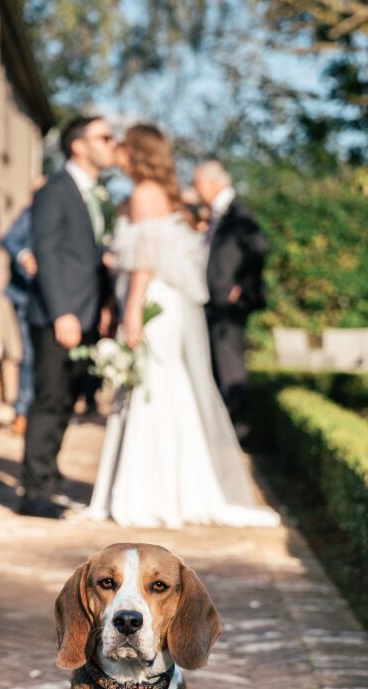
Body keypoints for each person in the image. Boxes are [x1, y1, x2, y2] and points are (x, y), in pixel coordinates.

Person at [87, 124, 279, 529]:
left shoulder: (144, 194)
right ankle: (171, 487)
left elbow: (145, 259)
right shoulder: (159, 194)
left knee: (152, 390)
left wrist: (132, 310)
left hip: (154, 299)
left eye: (122, 146)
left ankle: (148, 493)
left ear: (136, 152)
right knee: (164, 387)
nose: (116, 153)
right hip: (165, 301)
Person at [20, 114, 117, 519]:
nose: (112, 143)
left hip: (87, 315)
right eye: (105, 137)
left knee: (66, 401)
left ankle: (49, 478)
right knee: (49, 400)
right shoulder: (55, 191)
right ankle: (34, 493)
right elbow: (46, 253)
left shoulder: (93, 193)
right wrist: (63, 312)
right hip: (58, 315)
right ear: (79, 145)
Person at [194, 160, 268, 434]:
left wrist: (243, 287)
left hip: (229, 304)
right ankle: (223, 424)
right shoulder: (216, 214)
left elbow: (258, 247)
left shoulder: (237, 213)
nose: (196, 189)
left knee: (230, 364)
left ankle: (240, 427)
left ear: (214, 183)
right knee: (217, 363)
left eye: (198, 183)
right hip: (214, 301)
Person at [0, 176, 46, 436]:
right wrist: (25, 256)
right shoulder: (30, 214)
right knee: (29, 352)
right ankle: (23, 410)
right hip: (25, 295)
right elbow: (9, 240)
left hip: (44, 296)